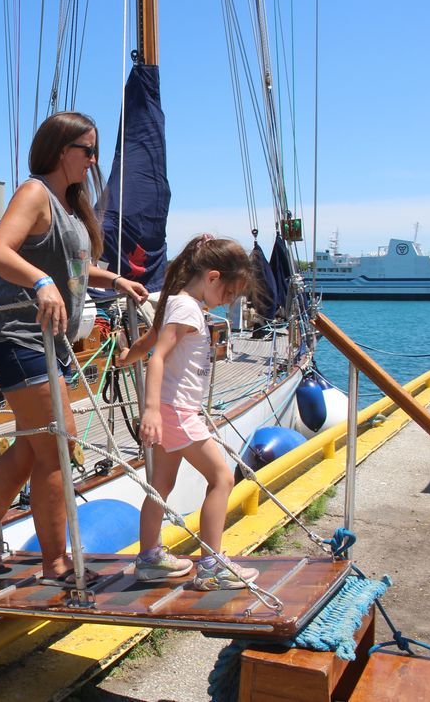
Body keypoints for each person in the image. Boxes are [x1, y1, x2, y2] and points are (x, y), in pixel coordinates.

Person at [0, 112, 147, 586]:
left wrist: (116, 279)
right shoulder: (35, 192)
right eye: (89, 150)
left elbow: (76, 270)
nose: (94, 160)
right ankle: (56, 564)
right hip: (19, 338)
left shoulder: (69, 205)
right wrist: (40, 282)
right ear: (63, 151)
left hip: (47, 342)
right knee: (58, 451)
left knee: (30, 451)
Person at [119, 234, 260, 591]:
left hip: (172, 409)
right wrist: (150, 409)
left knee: (161, 485)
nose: (228, 302)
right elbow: (160, 357)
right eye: (229, 294)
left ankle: (150, 558)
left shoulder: (180, 305)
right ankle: (212, 564)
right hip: (176, 410)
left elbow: (149, 343)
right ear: (212, 277)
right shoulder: (187, 308)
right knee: (222, 478)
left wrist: (127, 356)